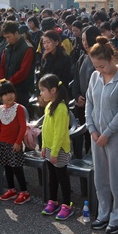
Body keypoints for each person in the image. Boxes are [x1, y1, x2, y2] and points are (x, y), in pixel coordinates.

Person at [85, 37, 118, 234]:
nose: (99, 70)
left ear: (112, 59)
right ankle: (103, 212)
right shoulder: (95, 77)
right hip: (96, 135)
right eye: (96, 66)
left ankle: (117, 216)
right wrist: (92, 129)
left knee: (116, 177)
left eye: (102, 66)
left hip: (114, 136)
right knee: (100, 177)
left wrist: (106, 133)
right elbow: (89, 103)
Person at [38, 74, 73, 220]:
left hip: (59, 149)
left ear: (53, 90)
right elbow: (45, 129)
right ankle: (53, 201)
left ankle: (67, 204)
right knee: (52, 176)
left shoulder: (61, 108)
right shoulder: (49, 106)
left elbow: (60, 133)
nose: (40, 93)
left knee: (62, 176)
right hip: (50, 148)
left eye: (42, 90)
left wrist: (55, 151)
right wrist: (45, 146)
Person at [0, 80, 30, 204]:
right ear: (0, 97)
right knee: (7, 168)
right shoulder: (0, 109)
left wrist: (18, 142)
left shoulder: (18, 108)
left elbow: (22, 127)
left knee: (17, 168)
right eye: (5, 94)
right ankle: (11, 189)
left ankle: (24, 192)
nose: (9, 96)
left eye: (11, 92)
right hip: (3, 143)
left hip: (14, 144)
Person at [72, 25, 101, 154]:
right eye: (82, 40)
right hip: (82, 104)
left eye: (86, 40)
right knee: (86, 135)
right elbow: (76, 80)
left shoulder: (101, 59)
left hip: (96, 105)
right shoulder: (82, 58)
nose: (84, 43)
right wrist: (77, 95)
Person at [0, 21, 35, 108]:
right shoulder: (7, 48)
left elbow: (23, 72)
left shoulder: (27, 48)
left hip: (21, 90)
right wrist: (2, 82)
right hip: (7, 88)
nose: (7, 40)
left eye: (9, 37)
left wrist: (9, 82)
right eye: (5, 38)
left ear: (16, 33)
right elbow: (2, 66)